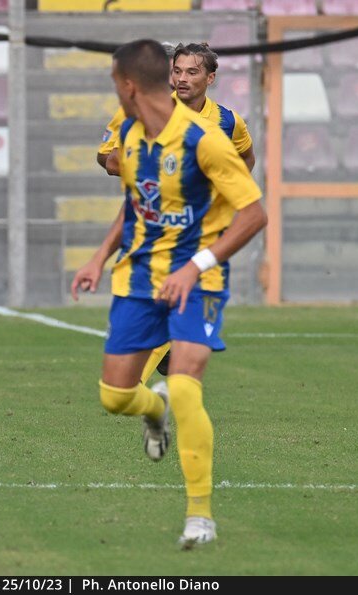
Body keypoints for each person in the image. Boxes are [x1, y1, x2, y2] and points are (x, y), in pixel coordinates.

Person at [74, 39, 267, 547]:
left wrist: (200, 261)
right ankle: (151, 411)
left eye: (116, 84)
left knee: (185, 385)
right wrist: (99, 256)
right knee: (116, 396)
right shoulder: (132, 138)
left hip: (198, 275)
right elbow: (138, 205)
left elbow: (254, 212)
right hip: (139, 275)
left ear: (130, 85)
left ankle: (199, 515)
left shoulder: (208, 137)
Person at [80, 42, 257, 387]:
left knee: (172, 310)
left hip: (196, 239)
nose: (182, 79)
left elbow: (245, 159)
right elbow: (106, 157)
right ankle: (164, 358)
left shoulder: (226, 122)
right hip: (151, 231)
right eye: (177, 71)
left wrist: (220, 192)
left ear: (210, 78)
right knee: (128, 379)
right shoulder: (144, 111)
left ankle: (168, 361)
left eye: (192, 72)